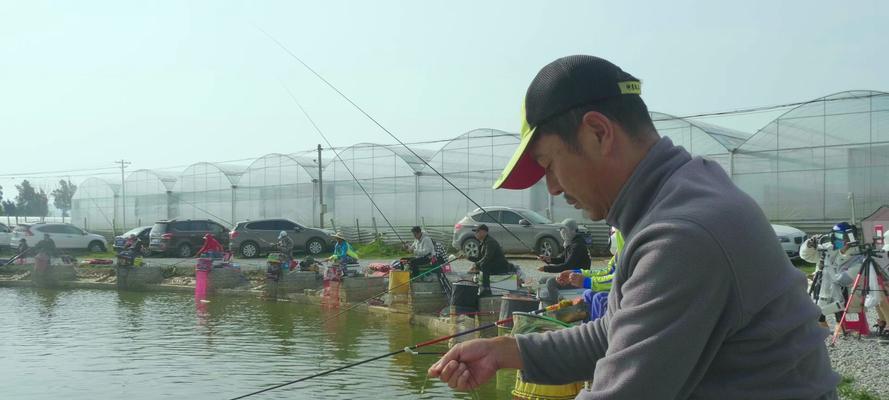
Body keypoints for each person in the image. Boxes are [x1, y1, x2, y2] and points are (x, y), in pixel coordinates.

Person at [429, 55, 838, 399]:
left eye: (549, 164)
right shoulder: (682, 192)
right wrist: (508, 351)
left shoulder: (680, 234)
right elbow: (618, 333)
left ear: (598, 133)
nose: (551, 188)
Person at [800, 224, 857, 329]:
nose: (836, 238)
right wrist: (809, 245)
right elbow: (807, 256)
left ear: (849, 237)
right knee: (819, 296)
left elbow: (846, 272)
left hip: (842, 284)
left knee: (838, 296)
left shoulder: (855, 252)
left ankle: (840, 324)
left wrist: (843, 251)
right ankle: (821, 322)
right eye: (835, 235)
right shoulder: (828, 247)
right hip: (823, 282)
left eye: (840, 236)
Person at [538, 219, 593, 305]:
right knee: (542, 280)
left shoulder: (578, 246)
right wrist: (549, 259)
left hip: (577, 278)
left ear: (573, 231)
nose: (562, 233)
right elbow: (562, 259)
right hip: (569, 275)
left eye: (564, 230)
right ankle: (546, 303)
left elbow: (567, 266)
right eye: (561, 230)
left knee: (551, 282)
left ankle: (557, 306)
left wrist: (546, 268)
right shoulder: (571, 244)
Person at [466, 224, 511, 296]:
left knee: (484, 265)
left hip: (501, 266)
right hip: (493, 264)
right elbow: (479, 258)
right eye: (476, 232)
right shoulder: (483, 242)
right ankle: (477, 287)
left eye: (478, 231)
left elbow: (487, 257)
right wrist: (467, 257)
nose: (476, 233)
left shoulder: (490, 242)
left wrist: (476, 265)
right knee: (481, 264)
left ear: (484, 232)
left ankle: (486, 289)